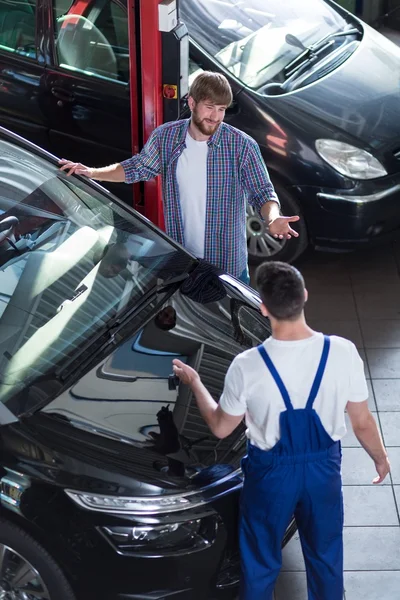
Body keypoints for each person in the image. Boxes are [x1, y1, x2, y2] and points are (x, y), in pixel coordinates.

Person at [172, 261, 390, 600]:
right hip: (323, 472)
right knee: (326, 556)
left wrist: (196, 382)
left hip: (270, 476)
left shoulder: (248, 366)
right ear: (304, 296)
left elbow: (219, 427)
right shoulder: (342, 352)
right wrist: (380, 458)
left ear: (262, 307)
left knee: (260, 560)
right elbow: (361, 422)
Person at [59, 71, 300, 285]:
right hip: (183, 260)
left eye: (222, 109)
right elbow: (138, 168)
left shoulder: (241, 146)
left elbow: (261, 191)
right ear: (192, 102)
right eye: (209, 107)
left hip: (227, 267)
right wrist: (91, 173)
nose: (215, 117)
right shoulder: (166, 137)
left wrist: (273, 217)